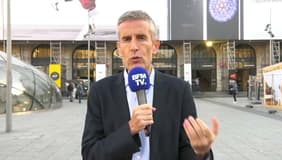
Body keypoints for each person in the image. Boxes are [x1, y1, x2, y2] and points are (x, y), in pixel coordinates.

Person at [81, 10, 219, 160]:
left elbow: (186, 149)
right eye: (127, 39)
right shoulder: (101, 92)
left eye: (141, 38)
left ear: (155, 45)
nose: (134, 46)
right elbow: (90, 154)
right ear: (119, 48)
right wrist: (130, 128)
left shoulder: (179, 90)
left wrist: (201, 153)